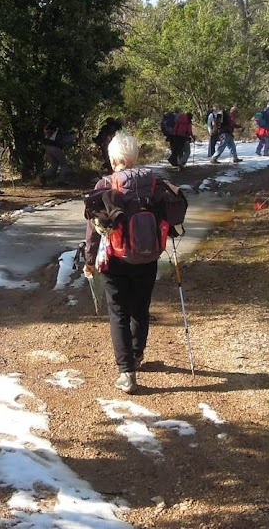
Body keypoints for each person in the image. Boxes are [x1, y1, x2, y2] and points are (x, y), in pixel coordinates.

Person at [82, 132, 159, 395]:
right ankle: (137, 355)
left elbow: (92, 230)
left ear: (113, 159)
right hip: (148, 257)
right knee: (141, 307)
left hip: (114, 260)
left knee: (119, 313)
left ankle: (127, 373)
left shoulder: (105, 185)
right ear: (134, 158)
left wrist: (89, 260)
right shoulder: (152, 184)